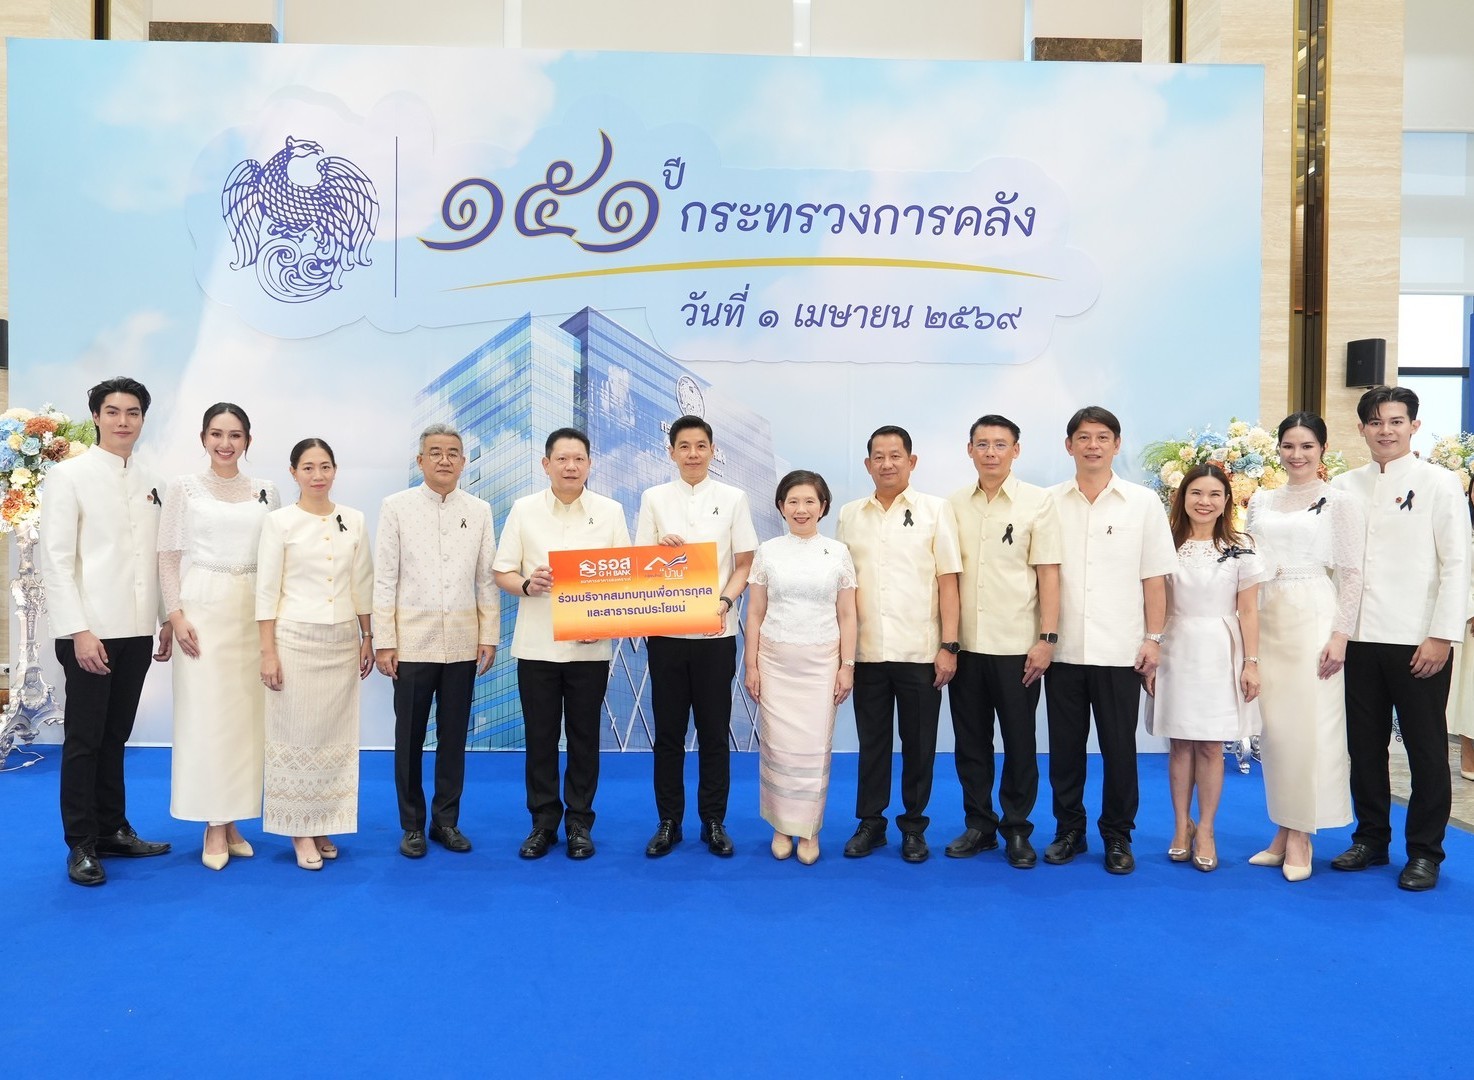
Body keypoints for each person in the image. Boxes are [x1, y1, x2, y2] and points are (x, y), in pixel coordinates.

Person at [1330, 385, 1468, 891]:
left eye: (1395, 421)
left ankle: (1425, 852)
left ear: (1414, 425)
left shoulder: (1439, 482)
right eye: (1375, 422)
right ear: (1362, 429)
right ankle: (1370, 839)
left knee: (1426, 750)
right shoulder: (1343, 486)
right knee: (1364, 748)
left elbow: (1457, 562)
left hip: (1417, 640)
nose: (1385, 430)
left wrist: (1441, 635)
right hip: (1358, 638)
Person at [40, 376, 173, 886]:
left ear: (143, 419)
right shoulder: (68, 476)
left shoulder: (153, 480)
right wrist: (78, 630)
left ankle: (113, 829)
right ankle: (80, 843)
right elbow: (56, 559)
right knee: (84, 739)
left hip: (136, 630)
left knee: (116, 735)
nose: (123, 421)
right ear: (96, 417)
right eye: (113, 411)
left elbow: (159, 558)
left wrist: (164, 618)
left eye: (133, 412)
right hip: (89, 632)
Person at [1044, 406, 1177, 875]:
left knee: (1120, 750)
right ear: (1069, 445)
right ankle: (1069, 830)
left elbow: (1154, 579)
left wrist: (1154, 639)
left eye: (1103, 437)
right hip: (1063, 650)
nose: (1093, 445)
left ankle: (1118, 835)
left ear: (1117, 444)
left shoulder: (1142, 503)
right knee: (1064, 751)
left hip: (1121, 650)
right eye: (1083, 437)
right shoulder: (1048, 502)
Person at [493, 428, 630, 861]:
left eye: (579, 459)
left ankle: (579, 823)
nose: (571, 467)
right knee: (540, 738)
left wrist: (604, 623)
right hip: (537, 647)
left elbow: (624, 578)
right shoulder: (524, 510)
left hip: (590, 648)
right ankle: (543, 823)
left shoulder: (610, 512)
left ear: (590, 464)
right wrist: (526, 585)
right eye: (562, 459)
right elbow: (502, 572)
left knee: (584, 738)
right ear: (546, 464)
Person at [159, 402, 279, 871]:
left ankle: (232, 820)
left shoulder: (267, 491)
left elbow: (278, 554)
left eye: (235, 435)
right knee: (206, 717)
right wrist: (175, 615)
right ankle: (212, 822)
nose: (225, 444)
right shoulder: (183, 488)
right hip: (203, 609)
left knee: (245, 722)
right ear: (203, 438)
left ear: (248, 440)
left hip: (253, 611)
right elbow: (168, 556)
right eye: (216, 434)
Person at [1244, 412, 1363, 882]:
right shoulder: (1261, 500)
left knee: (1310, 729)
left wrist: (1340, 635)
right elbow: (1249, 563)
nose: (1297, 455)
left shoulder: (1340, 501)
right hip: (1268, 614)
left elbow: (1352, 573)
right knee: (1276, 731)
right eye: (1289, 446)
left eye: (1307, 446)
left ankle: (1302, 835)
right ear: (1278, 449)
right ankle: (1282, 827)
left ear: (1322, 450)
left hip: (1313, 614)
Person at [835, 424, 961, 864]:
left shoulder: (936, 510)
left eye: (895, 456)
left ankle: (913, 826)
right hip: (867, 651)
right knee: (872, 743)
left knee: (919, 744)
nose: (887, 464)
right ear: (867, 464)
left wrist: (949, 646)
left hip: (920, 652)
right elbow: (842, 588)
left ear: (912, 461)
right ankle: (871, 822)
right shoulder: (850, 515)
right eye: (879, 457)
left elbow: (949, 581)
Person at [374, 423, 498, 859]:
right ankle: (412, 825)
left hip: (463, 643)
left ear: (463, 462)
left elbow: (485, 578)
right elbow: (385, 577)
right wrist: (384, 641)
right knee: (409, 738)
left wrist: (489, 636)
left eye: (452, 453)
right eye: (436, 452)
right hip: (410, 643)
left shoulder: (479, 510)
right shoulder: (396, 507)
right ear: (420, 461)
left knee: (453, 737)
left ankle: (446, 821)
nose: (444, 460)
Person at [635, 415, 758, 858]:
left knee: (713, 733)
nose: (692, 454)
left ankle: (713, 821)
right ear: (671, 452)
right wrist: (657, 553)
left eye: (700, 446)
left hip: (715, 634)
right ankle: (668, 821)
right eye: (684, 446)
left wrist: (725, 601)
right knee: (668, 734)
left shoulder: (733, 498)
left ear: (712, 450)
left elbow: (744, 564)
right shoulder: (653, 498)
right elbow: (638, 565)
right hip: (666, 635)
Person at [945, 414, 1061, 869]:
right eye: (982, 444)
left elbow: (1048, 574)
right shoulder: (953, 504)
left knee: (1019, 742)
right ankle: (979, 824)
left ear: (1016, 450)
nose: (990, 452)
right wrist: (948, 642)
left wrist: (1046, 639)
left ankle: (1016, 828)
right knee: (971, 742)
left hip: (1018, 647)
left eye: (999, 444)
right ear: (969, 450)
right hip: (967, 646)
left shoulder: (1037, 502)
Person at [256, 438, 374, 871]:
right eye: (308, 467)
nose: (318, 475)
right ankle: (298, 828)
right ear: (293, 473)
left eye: (325, 466)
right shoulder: (279, 522)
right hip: (294, 640)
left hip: (341, 641)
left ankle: (322, 820)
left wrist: (367, 635)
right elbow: (266, 591)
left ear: (335, 470)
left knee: (333, 737)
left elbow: (362, 582)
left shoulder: (354, 519)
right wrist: (268, 652)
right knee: (297, 733)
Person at [1144, 464, 1268, 873]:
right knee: (1180, 743)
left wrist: (1251, 663)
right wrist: (1151, 652)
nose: (1205, 502)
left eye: (1215, 494)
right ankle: (1181, 826)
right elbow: (1153, 602)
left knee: (1212, 745)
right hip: (1175, 647)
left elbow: (1249, 610)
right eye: (1196, 493)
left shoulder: (1242, 545)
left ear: (1226, 501)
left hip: (1221, 648)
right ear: (1182, 497)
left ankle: (1207, 829)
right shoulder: (1165, 542)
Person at [744, 470, 857, 865]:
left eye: (810, 501)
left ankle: (809, 829)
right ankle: (780, 826)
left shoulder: (838, 553)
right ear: (781, 506)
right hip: (775, 663)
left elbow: (848, 614)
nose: (801, 509)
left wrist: (847, 665)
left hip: (821, 664)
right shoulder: (767, 551)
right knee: (778, 746)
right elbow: (755, 612)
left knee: (814, 748)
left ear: (823, 507)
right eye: (793, 501)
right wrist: (751, 663)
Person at [1444, 478, 1474, 783]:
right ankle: (1469, 757)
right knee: (1469, 695)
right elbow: (1456, 571)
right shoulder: (1463, 528)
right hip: (1470, 623)